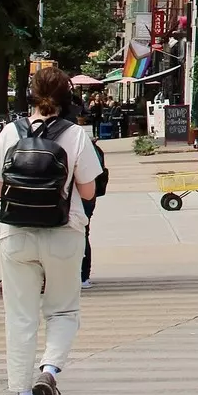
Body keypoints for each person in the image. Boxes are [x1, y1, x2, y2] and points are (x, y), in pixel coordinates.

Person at [0, 66, 102, 395]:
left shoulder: (10, 132)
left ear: (31, 95)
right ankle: (48, 371)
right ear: (67, 97)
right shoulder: (77, 136)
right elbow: (88, 190)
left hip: (17, 235)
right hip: (63, 233)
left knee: (20, 317)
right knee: (63, 310)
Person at [70, 102, 106, 289]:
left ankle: (79, 275)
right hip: (85, 197)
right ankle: (83, 275)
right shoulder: (80, 138)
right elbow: (91, 185)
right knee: (83, 233)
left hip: (71, 199)